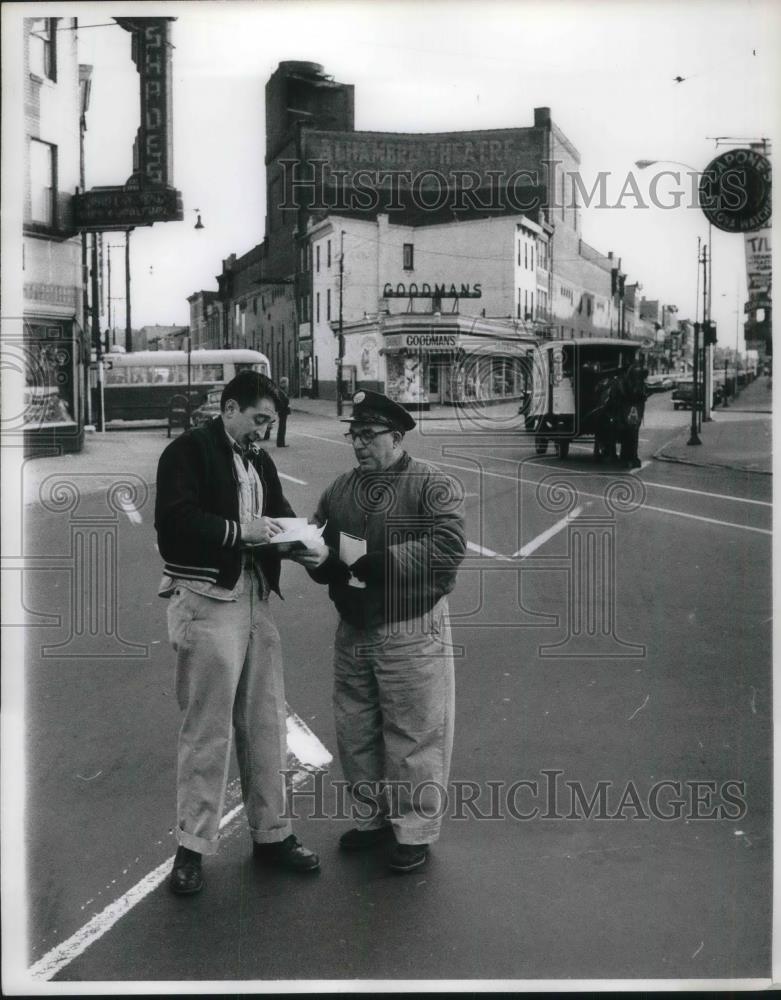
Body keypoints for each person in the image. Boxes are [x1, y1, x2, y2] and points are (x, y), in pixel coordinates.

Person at [155, 370, 319, 895]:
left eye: (270, 422)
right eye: (259, 419)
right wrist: (238, 532)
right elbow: (174, 522)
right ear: (229, 408)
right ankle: (191, 849)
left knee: (266, 722)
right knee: (207, 730)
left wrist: (300, 541)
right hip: (206, 601)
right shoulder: (187, 453)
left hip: (254, 600)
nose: (265, 431)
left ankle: (272, 835)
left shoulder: (258, 459)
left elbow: (279, 514)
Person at [291, 390, 466, 874]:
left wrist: (381, 561)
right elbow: (321, 540)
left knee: (414, 733)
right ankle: (372, 820)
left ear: (397, 435)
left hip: (409, 626)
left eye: (368, 436)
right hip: (354, 628)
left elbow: (448, 546)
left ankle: (414, 831)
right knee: (356, 730)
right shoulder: (340, 490)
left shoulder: (432, 485)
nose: (358, 445)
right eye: (354, 435)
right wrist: (313, 559)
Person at [264, 375, 290, 447]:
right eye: (287, 383)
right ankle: (280, 443)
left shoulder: (281, 391)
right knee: (282, 427)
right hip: (282, 412)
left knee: (281, 426)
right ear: (283, 383)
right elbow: (281, 402)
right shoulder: (281, 392)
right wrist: (286, 406)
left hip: (282, 411)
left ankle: (280, 442)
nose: (288, 385)